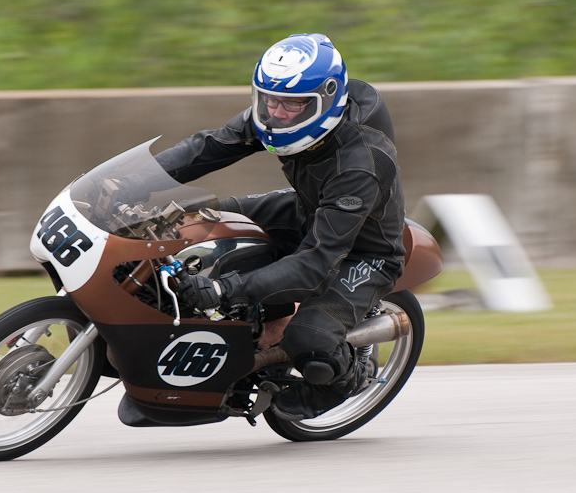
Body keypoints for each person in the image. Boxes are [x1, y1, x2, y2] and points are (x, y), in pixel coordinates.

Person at [157, 33, 406, 421]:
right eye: (269, 100)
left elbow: (316, 260)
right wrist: (137, 177)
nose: (278, 113)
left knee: (309, 340)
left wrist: (224, 289)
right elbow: (207, 147)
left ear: (327, 98)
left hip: (361, 250)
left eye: (292, 104)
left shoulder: (361, 163)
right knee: (197, 223)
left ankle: (348, 375)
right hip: (307, 210)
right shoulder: (276, 113)